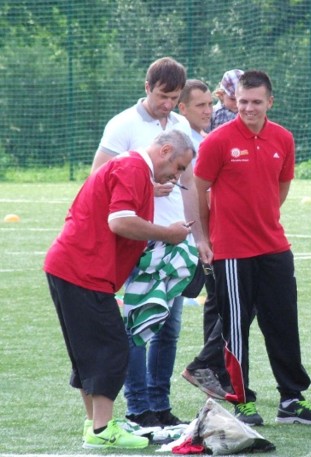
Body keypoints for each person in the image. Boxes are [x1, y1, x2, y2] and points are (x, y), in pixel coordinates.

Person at [194, 70, 311, 427]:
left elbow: (280, 188)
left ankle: (291, 400)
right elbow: (198, 191)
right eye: (242, 102)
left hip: (274, 247)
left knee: (283, 323)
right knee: (236, 328)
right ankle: (241, 401)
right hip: (232, 252)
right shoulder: (218, 141)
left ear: (270, 101)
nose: (248, 109)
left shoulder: (283, 138)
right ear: (234, 101)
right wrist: (203, 239)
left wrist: (262, 217)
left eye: (256, 102)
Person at [44, 130, 195, 449]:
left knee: (88, 353)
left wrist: (150, 191)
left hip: (74, 268)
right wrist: (168, 234)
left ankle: (96, 425)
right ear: (165, 150)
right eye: (179, 166)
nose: (178, 175)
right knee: (112, 348)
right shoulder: (133, 167)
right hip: (83, 270)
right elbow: (120, 221)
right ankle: (102, 430)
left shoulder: (134, 170)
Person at [91, 57, 204, 428]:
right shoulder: (122, 125)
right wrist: (145, 189)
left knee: (169, 327)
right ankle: (138, 407)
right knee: (140, 324)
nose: (167, 104)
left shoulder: (182, 125)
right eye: (162, 96)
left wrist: (198, 235)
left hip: (175, 240)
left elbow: (188, 183)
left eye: (174, 97)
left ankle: (159, 404)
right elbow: (98, 179)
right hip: (140, 238)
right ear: (147, 87)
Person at [177, 79, 233, 400]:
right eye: (200, 105)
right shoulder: (183, 142)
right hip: (197, 237)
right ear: (182, 108)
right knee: (232, 304)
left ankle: (215, 371)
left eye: (210, 104)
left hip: (211, 234)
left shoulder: (204, 138)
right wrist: (201, 237)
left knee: (217, 303)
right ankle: (206, 366)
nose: (208, 111)